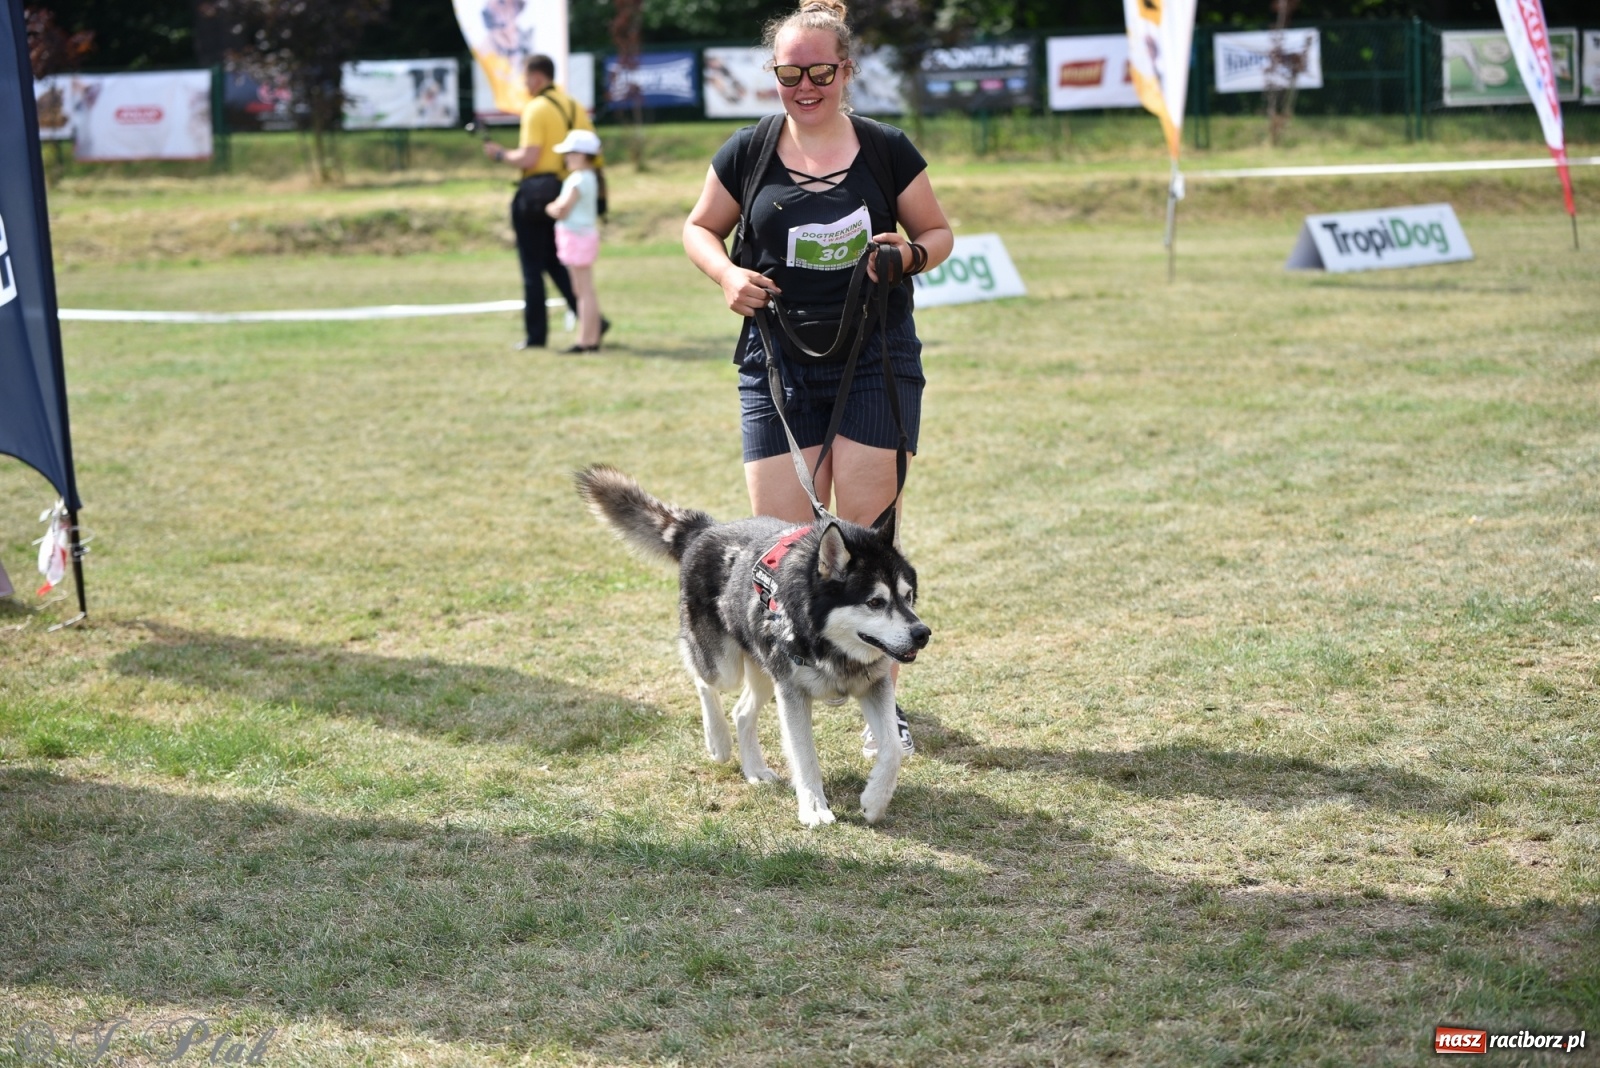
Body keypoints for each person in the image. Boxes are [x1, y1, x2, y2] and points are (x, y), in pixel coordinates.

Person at [682, 0, 953, 757]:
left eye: (820, 71)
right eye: (789, 73)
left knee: (863, 548)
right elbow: (698, 228)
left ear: (846, 71)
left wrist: (909, 256)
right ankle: (785, 694)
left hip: (875, 358)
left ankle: (884, 705)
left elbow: (938, 231)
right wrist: (727, 274)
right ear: (775, 75)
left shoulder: (885, 148)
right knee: (784, 548)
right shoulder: (749, 151)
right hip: (778, 363)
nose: (805, 85)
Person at [483, 54, 603, 350]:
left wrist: (499, 154)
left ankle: (537, 334)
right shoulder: (574, 105)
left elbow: (529, 157)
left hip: (537, 192)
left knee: (532, 267)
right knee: (557, 262)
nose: (525, 85)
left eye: (525, 79)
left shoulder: (535, 108)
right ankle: (593, 324)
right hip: (567, 187)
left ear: (537, 78)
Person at [545, 129, 606, 353]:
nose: (566, 157)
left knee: (582, 291)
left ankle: (585, 340)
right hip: (584, 235)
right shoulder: (589, 177)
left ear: (582, 155)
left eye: (570, 153)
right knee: (585, 290)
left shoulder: (578, 179)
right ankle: (590, 338)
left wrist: (548, 207)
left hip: (575, 237)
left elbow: (561, 209)